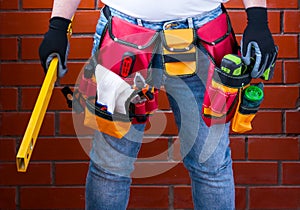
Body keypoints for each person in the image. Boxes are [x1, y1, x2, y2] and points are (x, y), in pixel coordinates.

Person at [39, 0, 277, 209]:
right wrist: (58, 25)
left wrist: (258, 19)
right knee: (110, 165)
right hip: (123, 34)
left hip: (203, 35)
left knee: (211, 165)